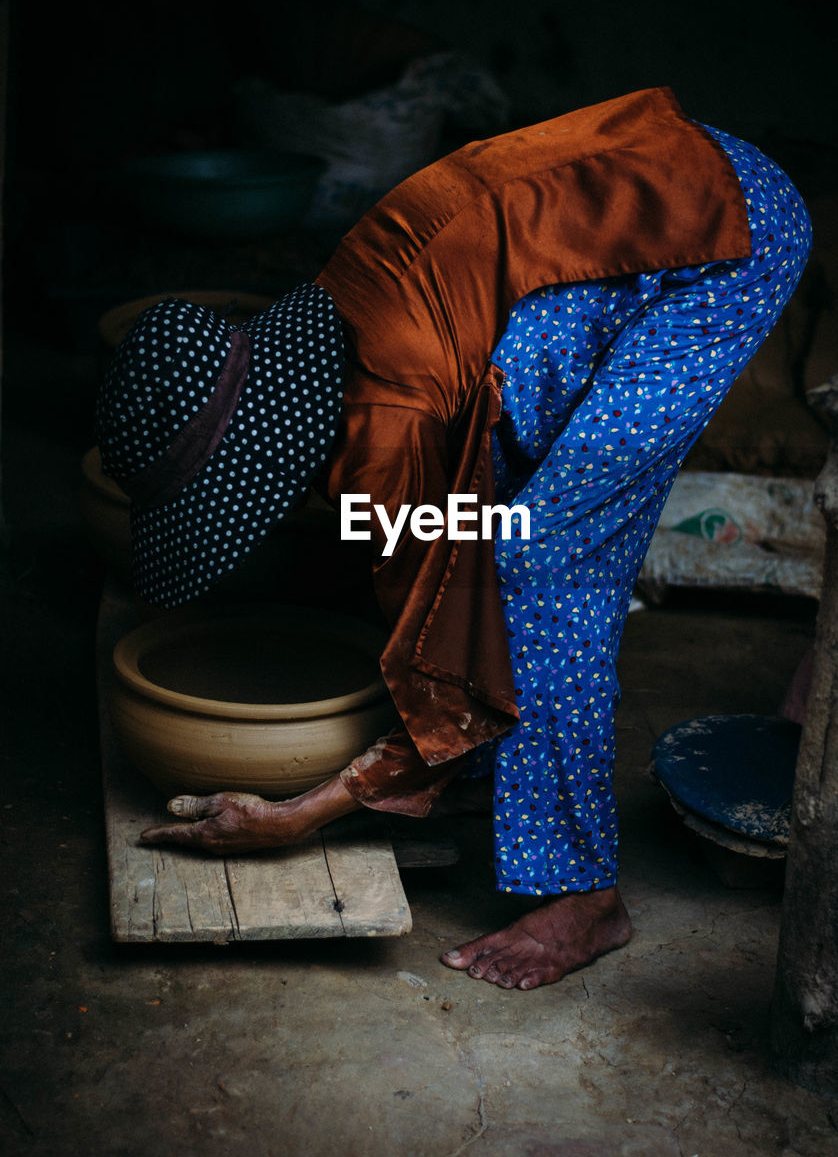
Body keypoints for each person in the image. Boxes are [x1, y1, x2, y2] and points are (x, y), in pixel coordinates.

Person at [96, 87, 811, 991]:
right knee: (502, 505)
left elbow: (452, 612)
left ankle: (585, 899)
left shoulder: (386, 414)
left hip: (719, 243)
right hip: (647, 206)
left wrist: (309, 811)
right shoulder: (322, 326)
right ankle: (482, 762)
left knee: (539, 563)